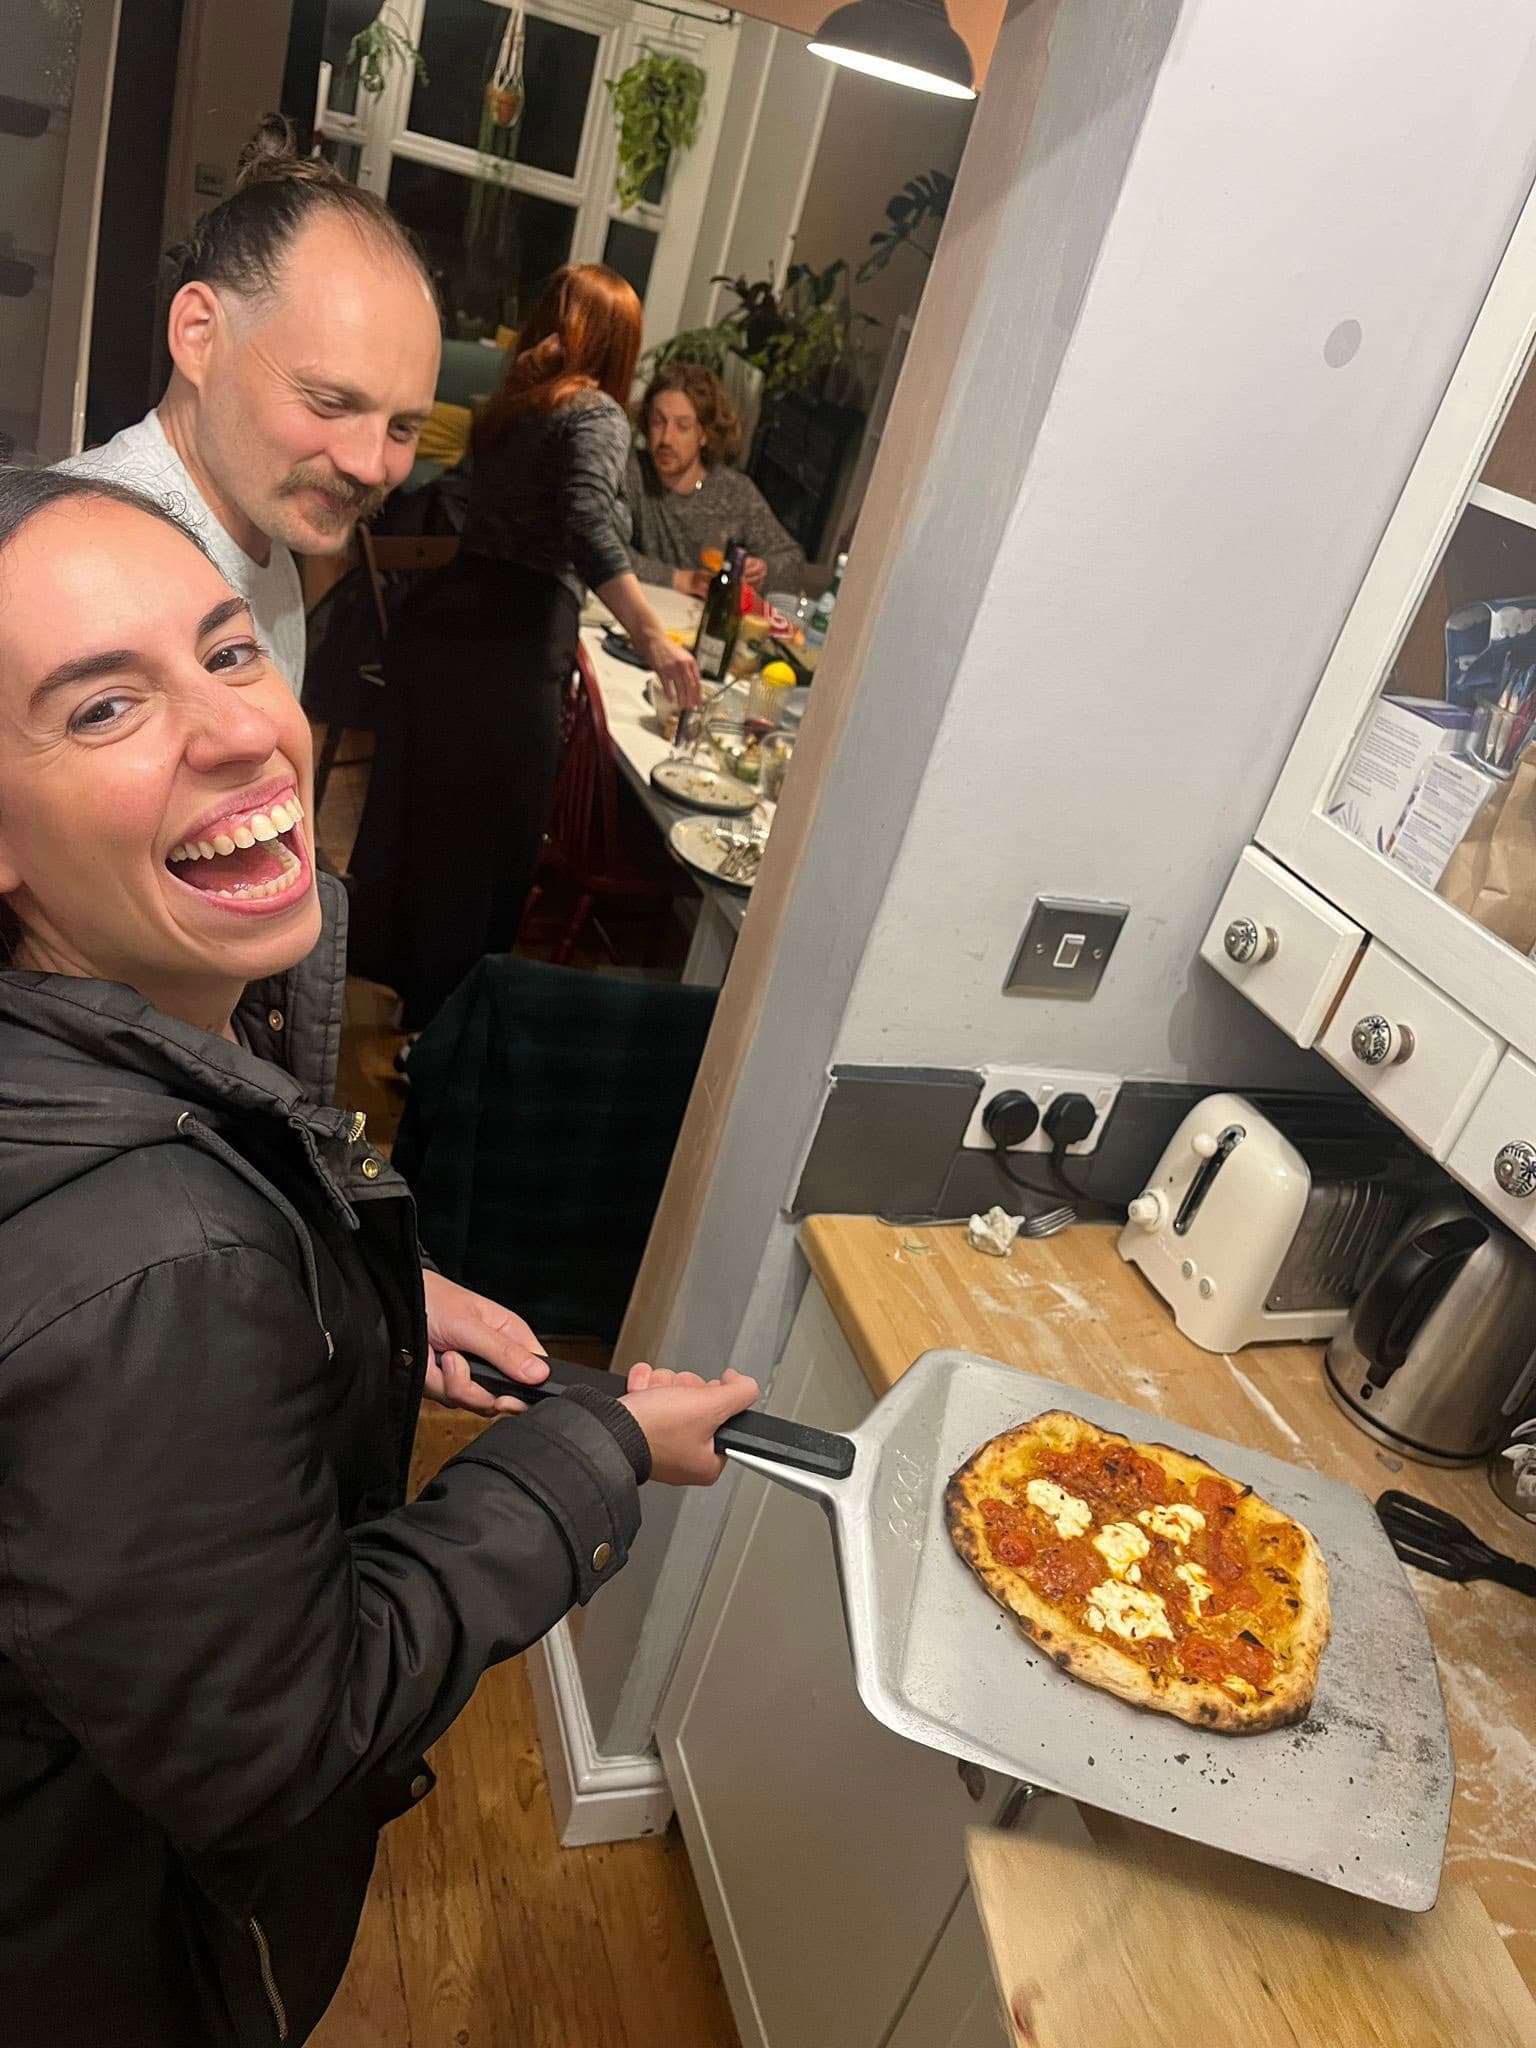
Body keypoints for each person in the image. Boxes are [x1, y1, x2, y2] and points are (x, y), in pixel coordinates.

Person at [0, 466, 757, 2048]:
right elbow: (279, 1740)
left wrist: (372, 1302)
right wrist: (591, 1451)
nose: (237, 731)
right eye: (96, 710)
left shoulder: (103, 1080)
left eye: (224, 650)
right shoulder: (160, 1270)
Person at [347, 264, 698, 1031]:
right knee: (490, 855)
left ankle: (412, 1011)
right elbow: (589, 525)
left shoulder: (513, 406)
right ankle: (443, 1040)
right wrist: (656, 639)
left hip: (445, 627)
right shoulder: (597, 413)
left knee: (425, 833)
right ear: (620, 342)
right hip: (508, 652)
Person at [62, 115, 441, 695]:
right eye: (330, 401)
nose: (369, 466)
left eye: (403, 427)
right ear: (199, 334)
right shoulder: (69, 567)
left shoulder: (264, 545)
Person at [627, 360, 806, 597]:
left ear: (704, 434)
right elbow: (599, 546)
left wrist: (764, 571)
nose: (666, 439)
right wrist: (678, 579)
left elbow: (791, 560)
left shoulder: (733, 492)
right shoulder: (631, 472)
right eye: (658, 422)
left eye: (683, 426)